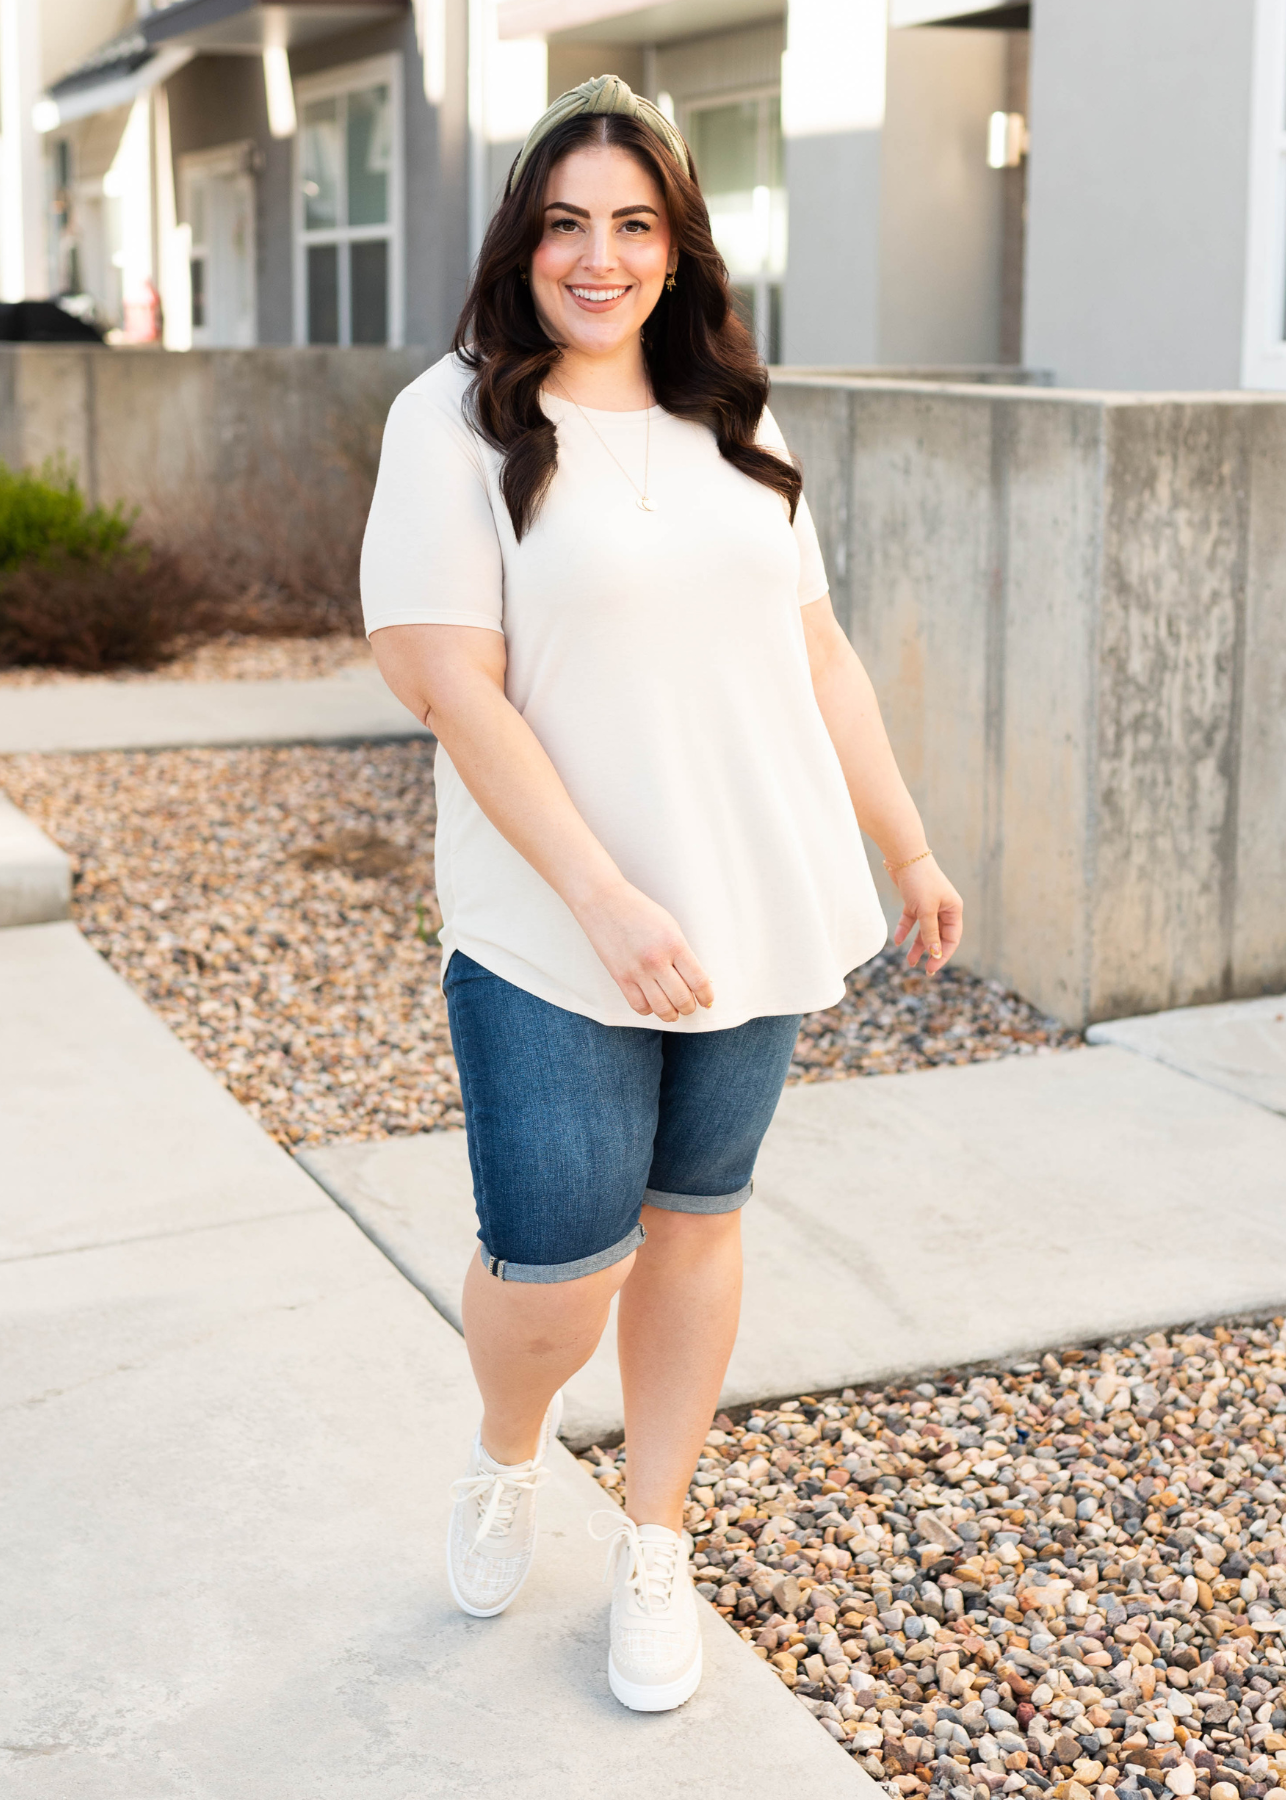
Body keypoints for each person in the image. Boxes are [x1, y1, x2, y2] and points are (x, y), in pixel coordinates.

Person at [360, 74, 963, 1714]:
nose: (598, 254)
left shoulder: (732, 421)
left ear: (679, 246)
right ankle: (506, 1449)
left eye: (634, 223)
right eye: (566, 222)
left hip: (753, 905)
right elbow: (453, 688)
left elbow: (814, 647)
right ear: (523, 240)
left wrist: (902, 844)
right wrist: (609, 898)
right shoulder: (456, 422)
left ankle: (653, 1541)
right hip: (554, 929)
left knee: (696, 1225)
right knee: (553, 1270)